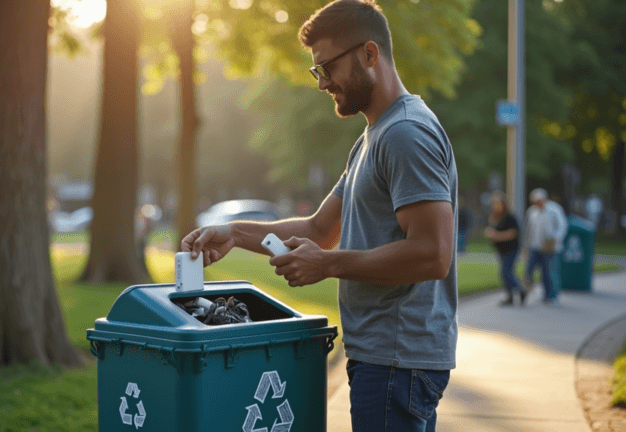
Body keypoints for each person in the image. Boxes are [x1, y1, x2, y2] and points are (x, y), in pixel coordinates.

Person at [181, 1, 458, 430]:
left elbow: (432, 255)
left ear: (369, 54)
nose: (322, 83)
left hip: (398, 359)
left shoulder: (405, 133)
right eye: (317, 71)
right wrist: (234, 232)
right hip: (382, 357)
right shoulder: (374, 136)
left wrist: (326, 264)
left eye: (327, 67)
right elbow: (318, 229)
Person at [524, 188, 568, 304]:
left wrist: (555, 240)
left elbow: (562, 226)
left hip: (551, 247)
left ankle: (551, 295)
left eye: (539, 201)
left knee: (549, 272)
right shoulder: (532, 212)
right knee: (529, 270)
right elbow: (529, 230)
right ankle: (528, 290)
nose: (537, 204)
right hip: (535, 246)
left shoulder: (554, 209)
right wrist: (527, 246)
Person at [483, 191, 525, 306]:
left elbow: (512, 233)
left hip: (511, 248)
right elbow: (489, 230)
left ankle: (521, 290)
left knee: (506, 271)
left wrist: (496, 235)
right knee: (504, 273)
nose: (495, 205)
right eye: (494, 203)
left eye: (498, 203)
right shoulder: (494, 217)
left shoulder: (510, 217)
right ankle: (510, 296)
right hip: (501, 249)